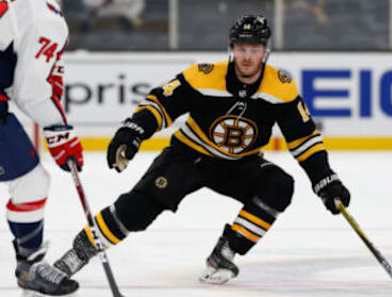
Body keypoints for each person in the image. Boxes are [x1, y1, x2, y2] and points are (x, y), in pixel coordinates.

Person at [53, 14, 350, 285]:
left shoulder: (281, 88)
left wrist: (325, 179)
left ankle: (227, 250)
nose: (248, 56)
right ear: (232, 48)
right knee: (138, 210)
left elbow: (304, 138)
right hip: (188, 156)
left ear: (265, 51)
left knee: (279, 185)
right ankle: (79, 252)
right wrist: (132, 132)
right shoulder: (203, 76)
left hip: (240, 165)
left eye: (255, 49)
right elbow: (161, 104)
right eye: (242, 48)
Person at [0, 0, 83, 295]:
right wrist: (59, 130)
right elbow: (31, 91)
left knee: (31, 182)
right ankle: (30, 267)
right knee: (31, 184)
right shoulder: (43, 12)